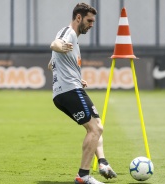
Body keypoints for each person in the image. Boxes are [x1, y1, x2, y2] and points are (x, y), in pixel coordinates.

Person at [48, 3, 117, 184]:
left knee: (96, 126)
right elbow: (55, 43)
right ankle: (83, 176)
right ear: (79, 18)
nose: (91, 24)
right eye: (89, 20)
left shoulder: (74, 40)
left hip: (67, 90)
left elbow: (52, 64)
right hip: (69, 90)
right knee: (95, 128)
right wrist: (57, 47)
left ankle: (102, 163)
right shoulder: (68, 32)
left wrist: (77, 77)